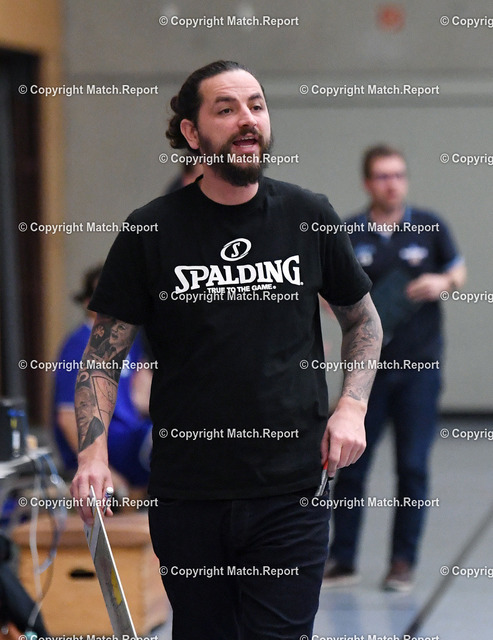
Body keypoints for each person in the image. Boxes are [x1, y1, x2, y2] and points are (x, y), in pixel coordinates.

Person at [70, 60, 383, 639]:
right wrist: (93, 456)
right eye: (227, 108)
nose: (248, 119)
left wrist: (352, 406)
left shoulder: (308, 216)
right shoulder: (150, 231)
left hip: (291, 489)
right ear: (192, 133)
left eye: (256, 106)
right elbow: (102, 357)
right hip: (189, 494)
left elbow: (363, 321)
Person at [323, 144, 466, 592]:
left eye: (399, 175)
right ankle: (343, 559)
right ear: (368, 183)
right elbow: (325, 289)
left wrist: (443, 281)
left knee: (413, 466)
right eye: (383, 176)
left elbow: (458, 270)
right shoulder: (349, 231)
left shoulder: (430, 225)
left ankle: (402, 562)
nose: (392, 184)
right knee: (350, 464)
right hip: (366, 375)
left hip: (420, 369)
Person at [53, 265, 152, 489]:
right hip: (107, 445)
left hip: (133, 437)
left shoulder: (131, 342)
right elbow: (68, 417)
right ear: (88, 302)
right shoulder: (79, 345)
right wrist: (98, 468)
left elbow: (142, 399)